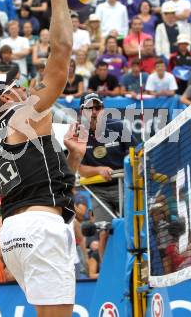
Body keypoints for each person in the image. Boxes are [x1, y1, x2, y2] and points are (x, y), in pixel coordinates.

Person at [0, 0, 86, 317]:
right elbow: (61, 55)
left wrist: (72, 160)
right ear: (5, 99)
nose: (23, 86)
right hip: (40, 230)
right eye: (14, 85)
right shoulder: (26, 113)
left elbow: (41, 189)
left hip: (16, 234)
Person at [79, 92, 136, 257]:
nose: (95, 111)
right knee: (104, 231)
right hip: (98, 191)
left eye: (98, 107)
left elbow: (135, 153)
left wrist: (127, 165)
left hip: (124, 185)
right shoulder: (78, 134)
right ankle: (107, 273)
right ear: (83, 111)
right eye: (90, 108)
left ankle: (137, 266)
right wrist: (98, 169)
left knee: (132, 227)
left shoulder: (118, 126)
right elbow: (80, 169)